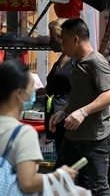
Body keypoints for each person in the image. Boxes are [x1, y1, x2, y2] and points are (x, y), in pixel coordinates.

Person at [50, 18, 110, 195]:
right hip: (73, 135)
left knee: (99, 187)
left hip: (95, 138)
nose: (62, 46)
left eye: (64, 41)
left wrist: (83, 112)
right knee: (58, 180)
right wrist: (63, 112)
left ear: (75, 39)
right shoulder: (77, 61)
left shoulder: (96, 61)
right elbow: (80, 95)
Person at [0, 60, 78, 194]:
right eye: (31, 89)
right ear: (19, 94)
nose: (34, 93)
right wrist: (59, 176)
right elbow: (28, 183)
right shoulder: (23, 134)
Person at [41, 19, 74, 155]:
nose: (51, 41)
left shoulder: (75, 60)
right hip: (53, 114)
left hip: (66, 116)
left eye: (53, 38)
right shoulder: (60, 60)